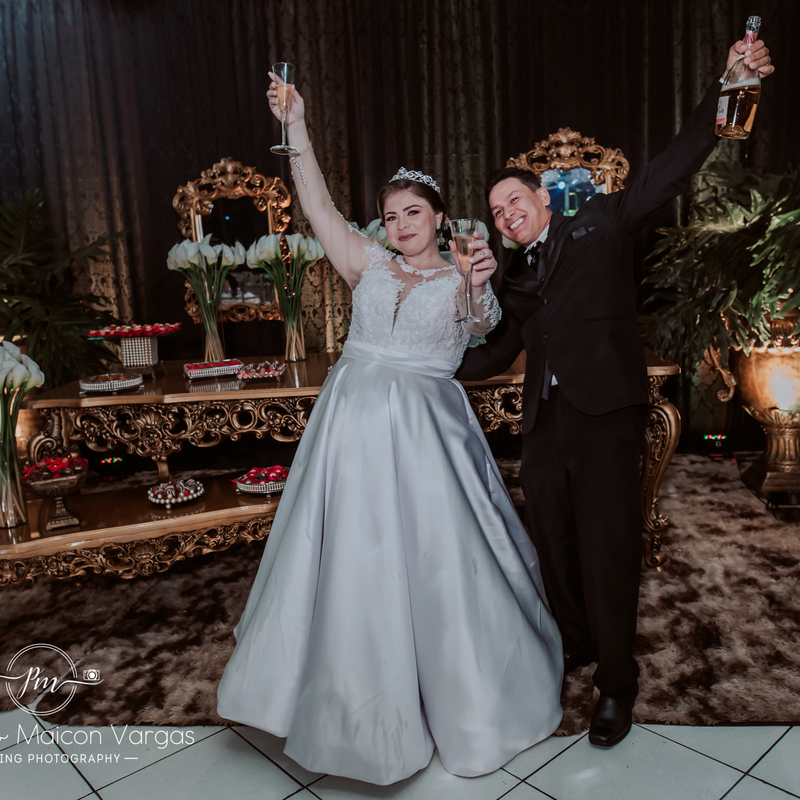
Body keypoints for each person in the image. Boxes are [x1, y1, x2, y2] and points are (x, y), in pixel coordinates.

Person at [216, 75, 564, 786]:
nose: (402, 224)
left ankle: (462, 700)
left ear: (439, 218)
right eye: (390, 215)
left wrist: (476, 280)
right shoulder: (366, 264)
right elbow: (317, 205)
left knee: (438, 564)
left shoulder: (466, 275)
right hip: (349, 429)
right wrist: (297, 128)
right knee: (348, 557)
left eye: (414, 212)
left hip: (425, 437)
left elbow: (479, 325)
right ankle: (337, 702)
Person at [455, 38, 776, 748]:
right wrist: (426, 365)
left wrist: (730, 85)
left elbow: (678, 161)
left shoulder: (602, 221)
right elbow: (497, 352)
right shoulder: (514, 277)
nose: (505, 215)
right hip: (544, 423)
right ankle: (575, 643)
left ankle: (616, 682)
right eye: (496, 210)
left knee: (608, 545)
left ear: (542, 197)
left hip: (605, 414)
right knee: (551, 541)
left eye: (513, 200)